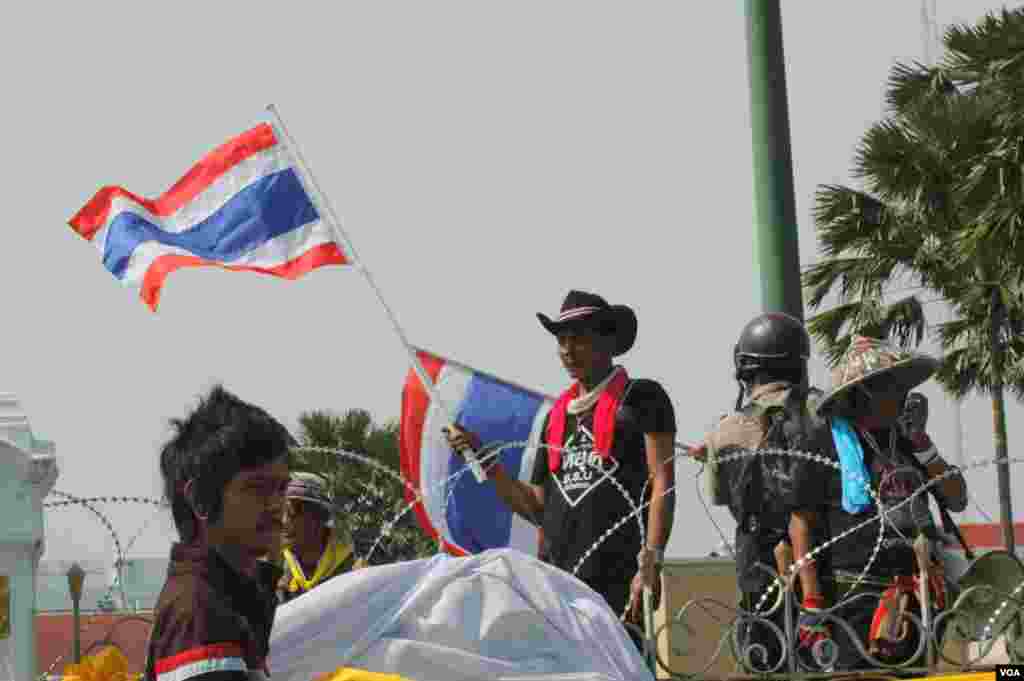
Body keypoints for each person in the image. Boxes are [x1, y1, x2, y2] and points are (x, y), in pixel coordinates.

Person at [444, 290, 676, 646]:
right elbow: (537, 507)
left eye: (579, 338)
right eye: (561, 340)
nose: (568, 349)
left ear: (608, 341)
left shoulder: (641, 398)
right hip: (559, 584)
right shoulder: (558, 416)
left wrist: (652, 559)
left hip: (617, 574)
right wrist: (485, 460)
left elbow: (663, 482)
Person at [690, 312, 836, 672]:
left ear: (745, 368)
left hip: (758, 569)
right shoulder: (826, 413)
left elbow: (722, 497)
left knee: (766, 662)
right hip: (827, 565)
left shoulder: (724, 431)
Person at [815, 336, 967, 669]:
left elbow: (956, 499)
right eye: (889, 384)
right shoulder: (832, 445)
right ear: (863, 392)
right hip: (857, 594)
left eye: (900, 383)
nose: (900, 393)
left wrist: (922, 442)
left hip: (917, 593)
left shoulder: (909, 439)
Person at [144, 385, 293, 681]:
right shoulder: (198, 610)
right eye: (256, 487)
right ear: (199, 497)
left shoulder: (228, 598)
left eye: (281, 488)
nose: (277, 505)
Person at [278, 472, 363, 604]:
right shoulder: (278, 573)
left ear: (319, 517)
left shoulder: (357, 569)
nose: (283, 521)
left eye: (291, 512)